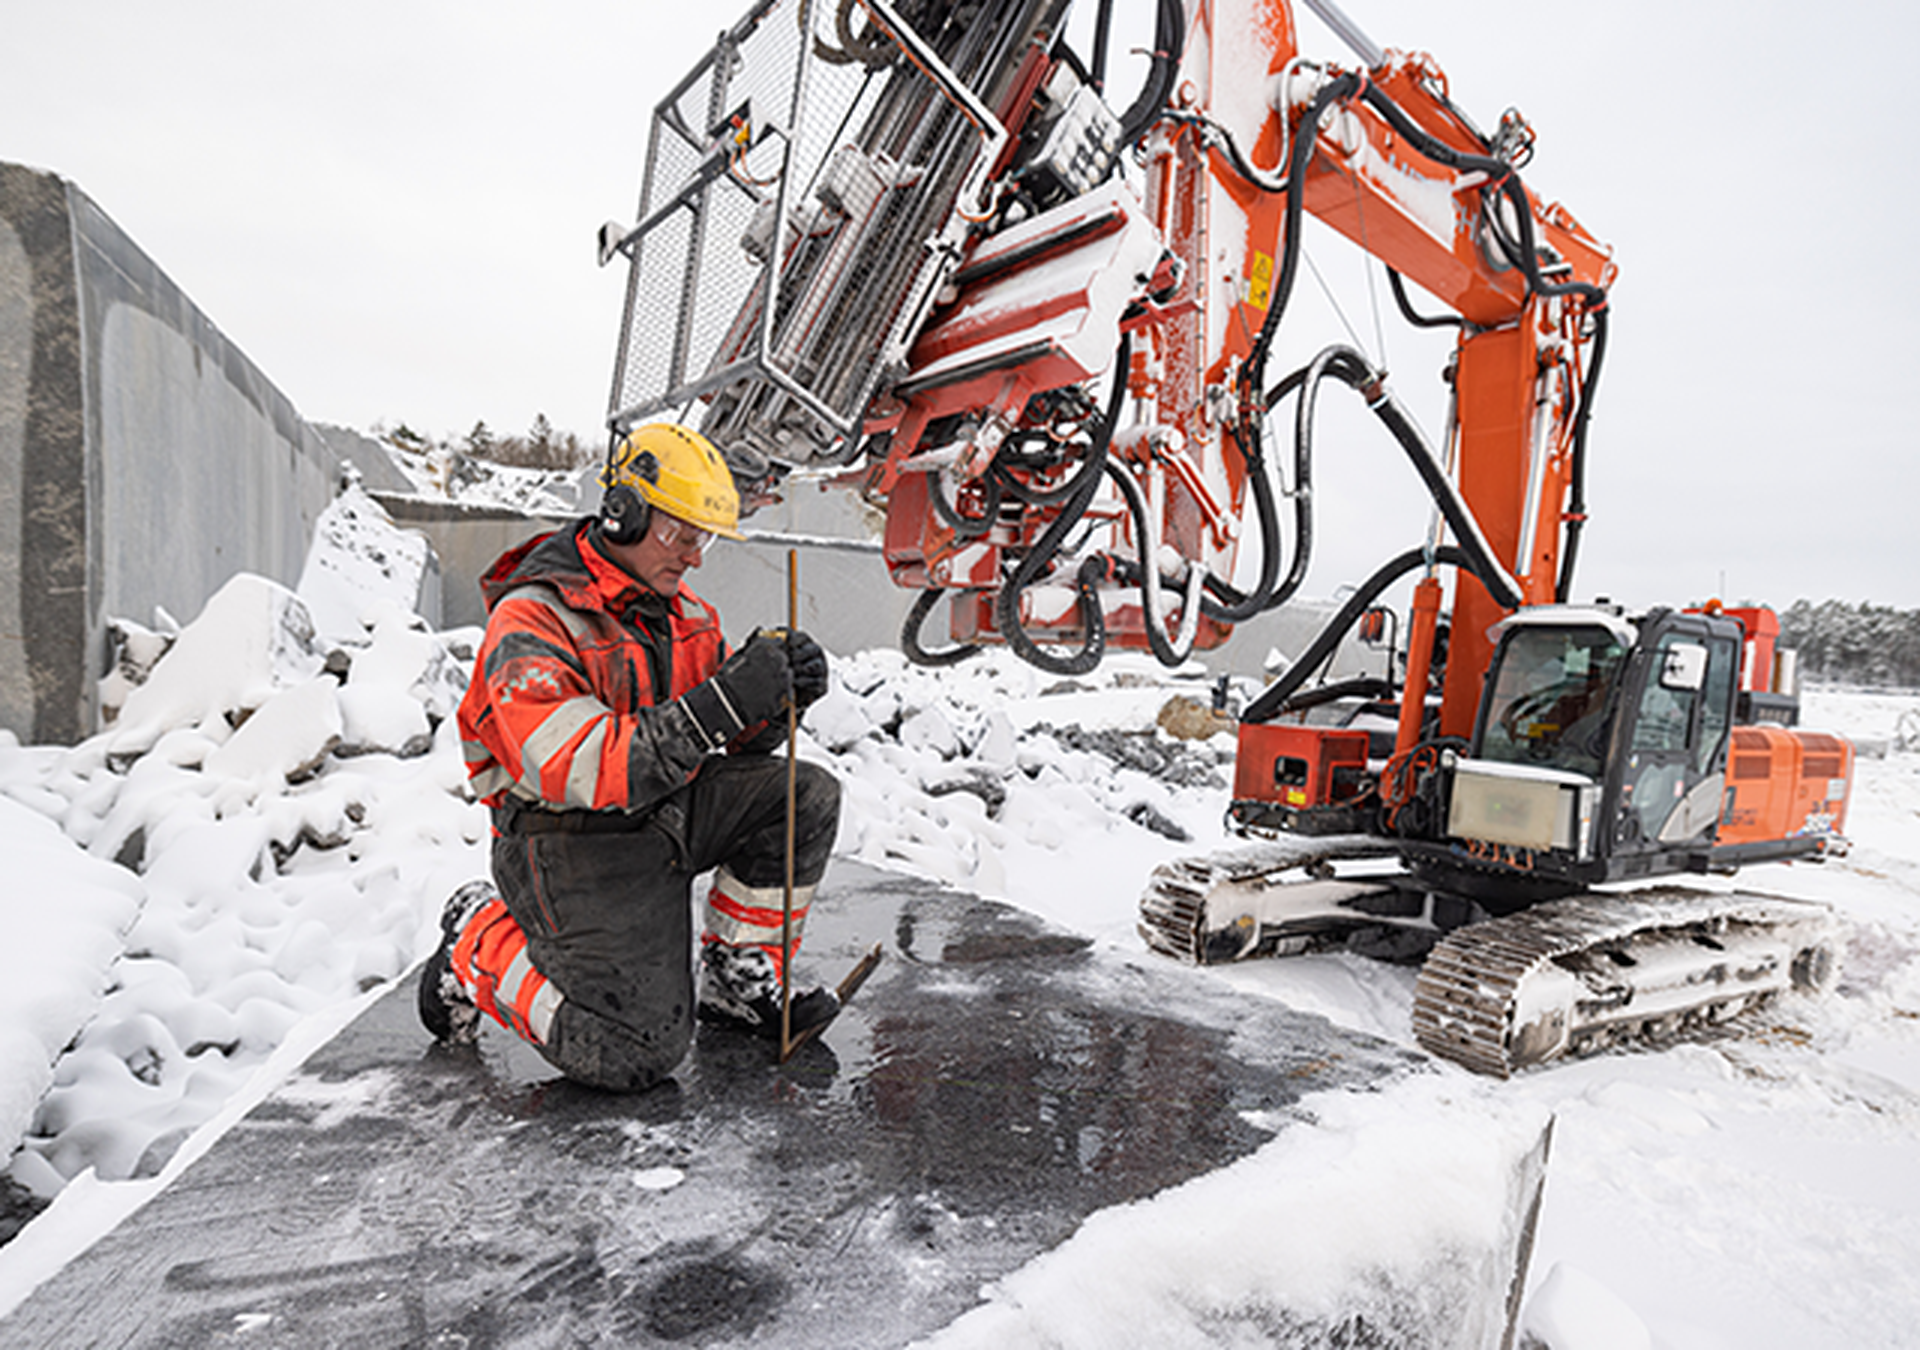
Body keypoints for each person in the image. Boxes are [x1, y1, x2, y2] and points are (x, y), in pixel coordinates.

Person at [419, 422, 840, 1090]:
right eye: (681, 535)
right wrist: (723, 701)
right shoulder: (533, 620)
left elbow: (724, 742)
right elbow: (575, 765)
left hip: (656, 811)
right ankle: (477, 941)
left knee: (803, 795)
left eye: (703, 539)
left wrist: (777, 699)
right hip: (566, 840)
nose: (694, 557)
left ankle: (736, 979)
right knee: (630, 1051)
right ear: (624, 513)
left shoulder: (687, 615)